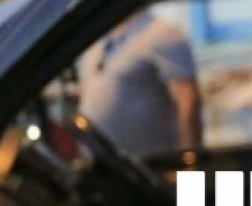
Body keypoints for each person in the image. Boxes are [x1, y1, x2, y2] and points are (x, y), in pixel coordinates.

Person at [77, 8, 203, 156]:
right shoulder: (97, 40)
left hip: (149, 162)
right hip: (98, 160)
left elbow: (188, 102)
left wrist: (190, 158)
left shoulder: (162, 34)